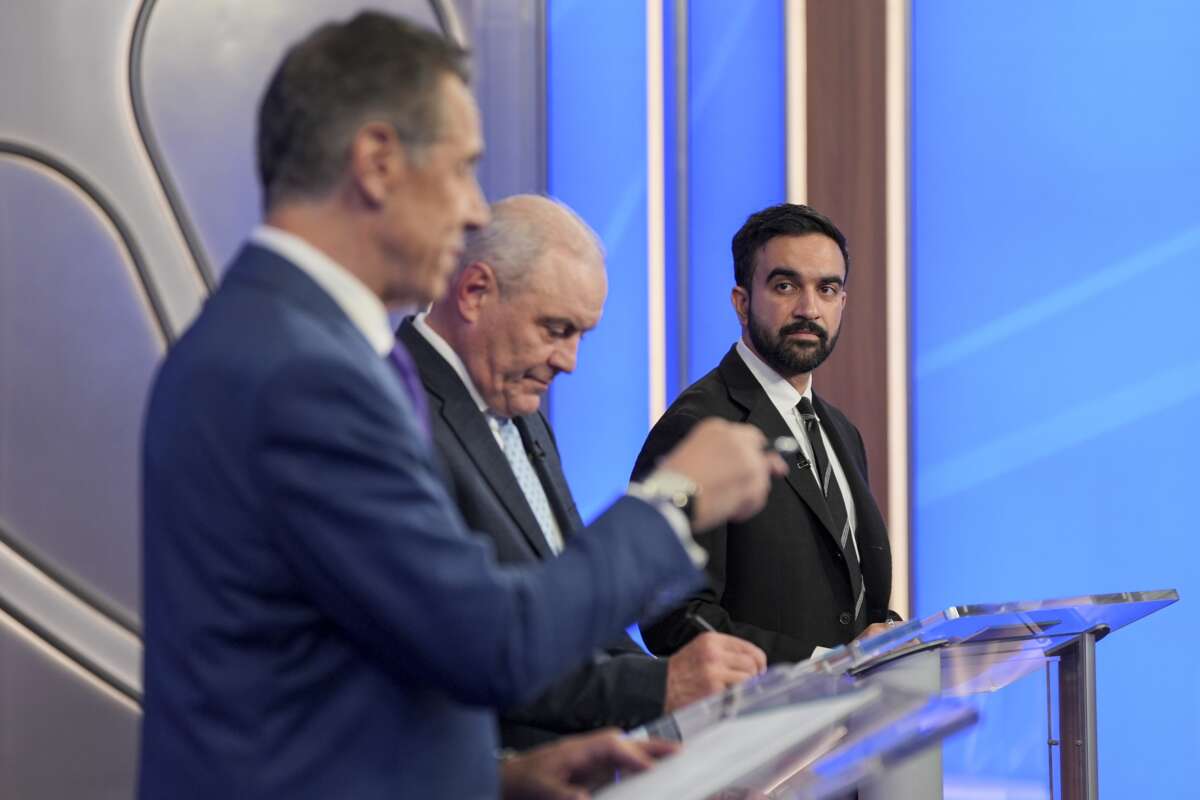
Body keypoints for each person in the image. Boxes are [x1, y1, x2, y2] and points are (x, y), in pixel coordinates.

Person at [137, 12, 783, 800]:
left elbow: (355, 665)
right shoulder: (302, 372)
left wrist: (498, 780)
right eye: (464, 168)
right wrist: (674, 501)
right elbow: (490, 640)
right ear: (377, 162)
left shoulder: (284, 342)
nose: (477, 210)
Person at [398, 194, 768, 748]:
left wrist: (685, 702)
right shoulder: (393, 412)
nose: (569, 360)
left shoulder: (517, 406)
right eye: (555, 329)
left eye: (580, 335)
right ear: (475, 292)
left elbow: (572, 604)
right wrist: (659, 686)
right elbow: (478, 645)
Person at [633, 203, 901, 666]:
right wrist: (823, 664)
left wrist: (892, 640)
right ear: (741, 302)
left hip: (847, 727)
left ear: (842, 303)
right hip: (753, 728)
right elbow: (673, 618)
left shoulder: (842, 431)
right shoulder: (697, 425)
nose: (808, 308)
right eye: (785, 286)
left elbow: (847, 604)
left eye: (826, 288)